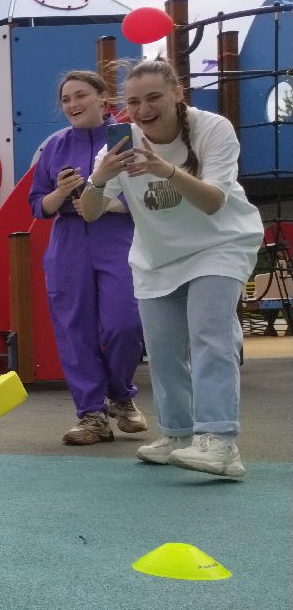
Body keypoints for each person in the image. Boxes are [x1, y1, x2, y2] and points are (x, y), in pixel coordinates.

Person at [79, 59, 264, 479]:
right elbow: (89, 213)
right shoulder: (117, 145)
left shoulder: (211, 128)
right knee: (163, 352)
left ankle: (220, 443)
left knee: (210, 336)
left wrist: (165, 168)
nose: (143, 109)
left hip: (219, 243)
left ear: (178, 92)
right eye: (133, 102)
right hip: (156, 257)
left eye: (154, 98)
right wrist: (98, 178)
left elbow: (213, 201)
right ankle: (178, 436)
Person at [27, 70, 147, 445]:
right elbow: (37, 205)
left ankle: (121, 395)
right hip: (67, 243)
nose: (73, 105)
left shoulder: (127, 140)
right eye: (66, 100)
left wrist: (107, 204)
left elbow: (145, 192)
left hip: (116, 238)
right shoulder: (55, 147)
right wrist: (60, 193)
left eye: (81, 96)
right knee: (74, 327)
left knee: (125, 323)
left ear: (103, 99)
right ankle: (92, 415)